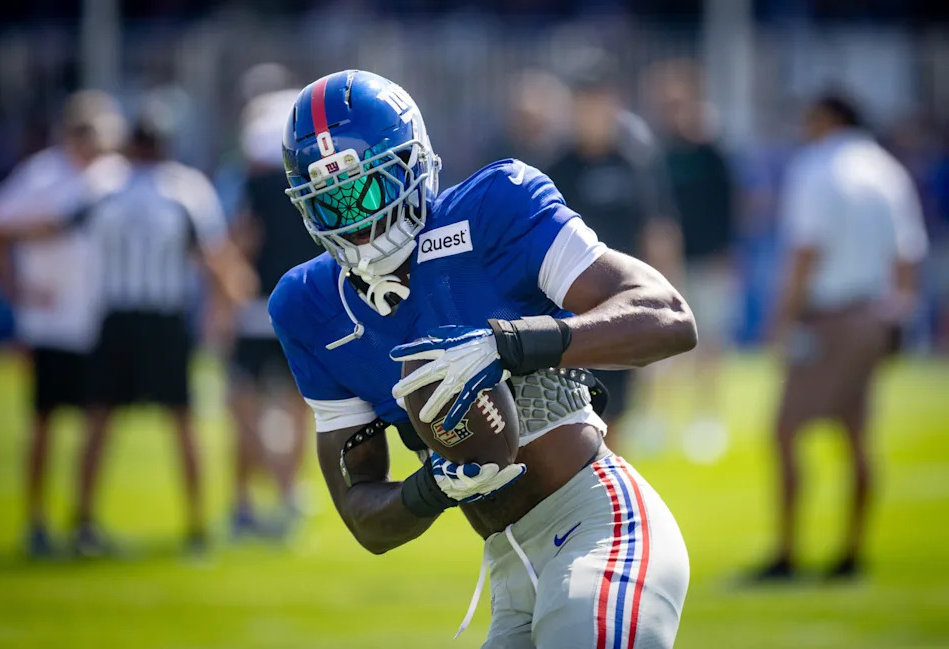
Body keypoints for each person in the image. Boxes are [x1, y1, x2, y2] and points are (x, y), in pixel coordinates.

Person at [270, 70, 696, 648]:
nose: (354, 220)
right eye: (330, 203)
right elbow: (363, 517)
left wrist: (509, 344)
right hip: (508, 574)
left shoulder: (495, 208)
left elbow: (668, 317)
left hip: (599, 529)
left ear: (413, 164)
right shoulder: (309, 306)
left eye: (364, 189)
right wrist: (434, 488)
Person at [755, 93, 928, 581]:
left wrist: (781, 319)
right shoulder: (887, 170)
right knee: (857, 436)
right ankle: (852, 552)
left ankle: (787, 554)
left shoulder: (817, 167)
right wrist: (899, 318)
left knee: (786, 432)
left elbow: (806, 250)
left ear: (828, 118)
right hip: (874, 314)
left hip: (827, 319)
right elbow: (909, 253)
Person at [75, 107, 256, 554]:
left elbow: (68, 231)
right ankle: (194, 527)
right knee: (171, 421)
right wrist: (238, 293)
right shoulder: (181, 187)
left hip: (125, 316)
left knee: (109, 419)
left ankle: (85, 522)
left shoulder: (105, 183)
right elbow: (215, 255)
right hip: (156, 318)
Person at [0, 90, 126, 557]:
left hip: (100, 318)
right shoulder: (42, 175)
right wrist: (17, 291)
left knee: (98, 423)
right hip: (50, 323)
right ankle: (36, 522)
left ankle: (84, 521)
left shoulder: (113, 178)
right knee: (45, 425)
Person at [545, 55, 681, 438]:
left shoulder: (635, 162)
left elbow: (658, 231)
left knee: (616, 410)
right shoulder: (559, 167)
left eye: (599, 100)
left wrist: (661, 293)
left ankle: (610, 485)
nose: (592, 111)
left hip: (621, 302)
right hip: (571, 306)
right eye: (584, 102)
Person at [226, 86, 320, 538]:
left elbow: (242, 243)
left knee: (244, 408)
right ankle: (288, 493)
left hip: (255, 311)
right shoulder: (312, 186)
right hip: (302, 309)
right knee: (297, 408)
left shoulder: (255, 186)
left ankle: (249, 500)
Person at [643, 59, 736, 461]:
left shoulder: (711, 152)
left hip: (708, 260)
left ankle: (706, 419)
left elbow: (730, 206)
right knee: (660, 343)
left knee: (710, 341)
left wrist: (726, 253)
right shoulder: (656, 154)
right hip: (667, 264)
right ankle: (658, 419)